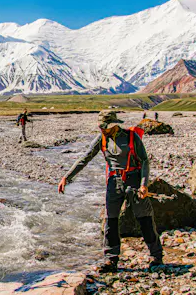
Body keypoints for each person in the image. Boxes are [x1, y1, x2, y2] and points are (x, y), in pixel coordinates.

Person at [57, 111, 163, 272]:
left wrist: (143, 184)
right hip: (114, 182)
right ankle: (110, 259)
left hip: (133, 180)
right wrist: (67, 177)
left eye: (105, 127)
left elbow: (144, 161)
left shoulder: (131, 137)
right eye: (101, 126)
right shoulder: (101, 138)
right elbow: (85, 158)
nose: (102, 129)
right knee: (110, 221)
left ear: (114, 124)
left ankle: (156, 255)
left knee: (145, 218)